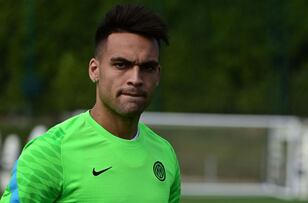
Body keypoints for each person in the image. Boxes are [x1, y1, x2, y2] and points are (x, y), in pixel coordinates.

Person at [0, 4, 181, 203]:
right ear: (95, 70)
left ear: (158, 75)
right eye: (121, 65)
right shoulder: (51, 151)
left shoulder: (165, 155)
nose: (135, 78)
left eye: (147, 67)